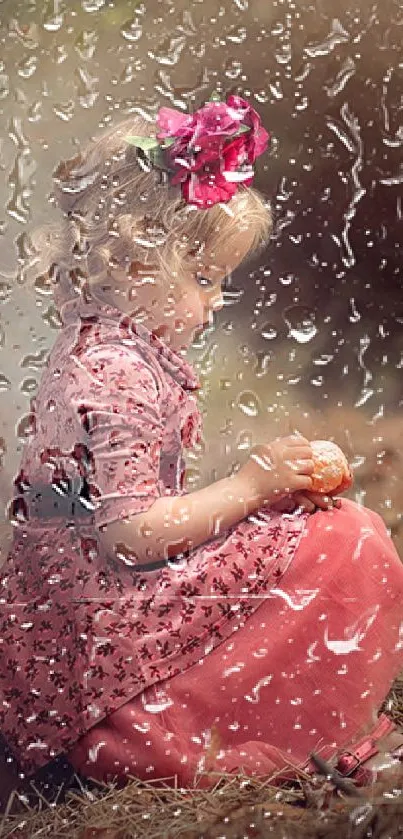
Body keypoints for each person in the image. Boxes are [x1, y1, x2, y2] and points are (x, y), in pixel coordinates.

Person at [0, 96, 402, 802]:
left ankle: (232, 709)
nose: (216, 302)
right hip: (105, 640)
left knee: (318, 531)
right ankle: (202, 724)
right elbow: (128, 535)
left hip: (80, 623)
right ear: (133, 260)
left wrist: (262, 487)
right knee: (350, 542)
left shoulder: (100, 346)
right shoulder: (117, 374)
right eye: (206, 278)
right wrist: (249, 486)